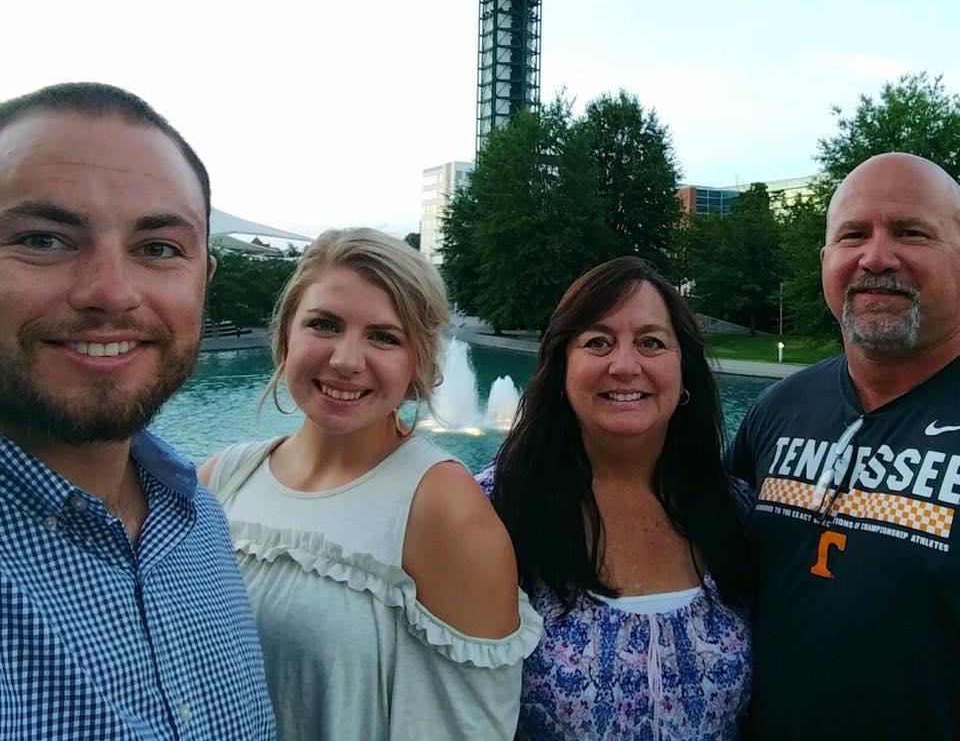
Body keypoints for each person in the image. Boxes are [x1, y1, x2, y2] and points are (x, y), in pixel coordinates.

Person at [0, 83, 275, 739]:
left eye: (158, 249)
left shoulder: (199, 519)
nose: (111, 293)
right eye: (43, 239)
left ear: (201, 280)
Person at [200, 228, 541, 741]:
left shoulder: (441, 506)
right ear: (287, 333)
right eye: (324, 324)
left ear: (417, 361)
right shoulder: (222, 479)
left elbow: (468, 724)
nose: (345, 360)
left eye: (384, 336)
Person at [728, 152, 960, 740]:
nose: (876, 257)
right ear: (826, 261)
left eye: (911, 232)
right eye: (853, 234)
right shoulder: (778, 410)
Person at [479, 256, 753, 741]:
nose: (625, 366)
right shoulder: (491, 512)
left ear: (682, 368)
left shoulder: (737, 512)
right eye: (598, 342)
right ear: (562, 367)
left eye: (651, 342)